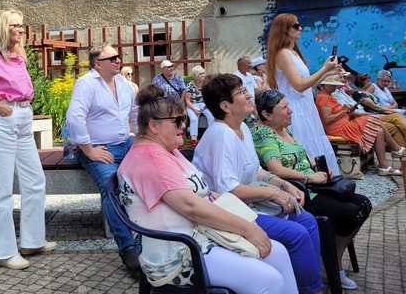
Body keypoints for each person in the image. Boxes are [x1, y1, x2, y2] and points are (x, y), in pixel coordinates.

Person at [117, 84, 298, 293]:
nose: (183, 125)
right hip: (179, 255)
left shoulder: (165, 149)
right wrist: (248, 228)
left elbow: (201, 194)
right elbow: (191, 206)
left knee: (278, 252)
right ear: (153, 126)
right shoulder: (150, 158)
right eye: (177, 121)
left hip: (200, 237)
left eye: (183, 119)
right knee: (269, 280)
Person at [195, 74, 325, 294]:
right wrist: (272, 195)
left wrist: (284, 185)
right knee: (296, 234)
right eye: (240, 92)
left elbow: (256, 170)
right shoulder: (220, 135)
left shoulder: (242, 128)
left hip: (249, 205)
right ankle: (309, 289)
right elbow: (229, 190)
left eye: (245, 89)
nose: (248, 94)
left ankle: (308, 284)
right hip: (229, 214)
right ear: (226, 106)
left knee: (307, 220)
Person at [253, 89, 373, 290]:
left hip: (317, 185)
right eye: (284, 107)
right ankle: (333, 265)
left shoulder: (285, 129)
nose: (290, 111)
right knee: (351, 212)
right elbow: (275, 168)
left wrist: (320, 168)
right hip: (302, 192)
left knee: (363, 204)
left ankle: (333, 256)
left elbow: (301, 156)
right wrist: (309, 176)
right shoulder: (265, 133)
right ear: (266, 114)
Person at [0, 8, 53, 270]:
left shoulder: (18, 57)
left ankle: (32, 241)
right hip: (1, 120)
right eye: (15, 25)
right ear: (3, 28)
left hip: (23, 120)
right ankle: (3, 252)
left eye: (22, 25)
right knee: (1, 188)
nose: (20, 29)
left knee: (35, 180)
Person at [65, 44, 140, 272]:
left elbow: (135, 113)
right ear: (98, 63)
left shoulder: (125, 85)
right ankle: (128, 248)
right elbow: (74, 117)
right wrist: (88, 150)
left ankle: (156, 233)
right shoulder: (87, 84)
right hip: (97, 147)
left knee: (155, 170)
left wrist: (138, 138)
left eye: (119, 57)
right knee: (111, 185)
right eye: (113, 58)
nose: (118, 61)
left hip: (125, 143)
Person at [266, 13, 341, 175]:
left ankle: (324, 181)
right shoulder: (283, 53)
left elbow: (307, 84)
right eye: (295, 26)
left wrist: (329, 74)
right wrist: (324, 69)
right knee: (306, 146)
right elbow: (299, 86)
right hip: (296, 108)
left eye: (299, 25)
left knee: (313, 145)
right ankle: (315, 184)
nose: (300, 28)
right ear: (284, 29)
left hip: (305, 107)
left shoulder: (292, 53)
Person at [316, 75, 404, 176]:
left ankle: (383, 167)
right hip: (340, 128)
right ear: (323, 85)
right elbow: (327, 120)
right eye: (331, 85)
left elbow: (337, 114)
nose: (334, 87)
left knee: (379, 131)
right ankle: (397, 149)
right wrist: (344, 110)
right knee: (376, 119)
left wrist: (348, 110)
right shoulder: (323, 97)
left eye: (335, 85)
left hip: (345, 123)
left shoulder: (328, 95)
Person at [183, 65, 214, 139]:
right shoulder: (190, 86)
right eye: (200, 74)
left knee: (212, 117)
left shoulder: (206, 84)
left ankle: (211, 136)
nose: (203, 75)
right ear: (195, 76)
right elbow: (187, 100)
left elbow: (209, 97)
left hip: (204, 105)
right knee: (194, 119)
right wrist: (194, 109)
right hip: (192, 105)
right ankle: (194, 139)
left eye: (203, 73)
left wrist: (207, 105)